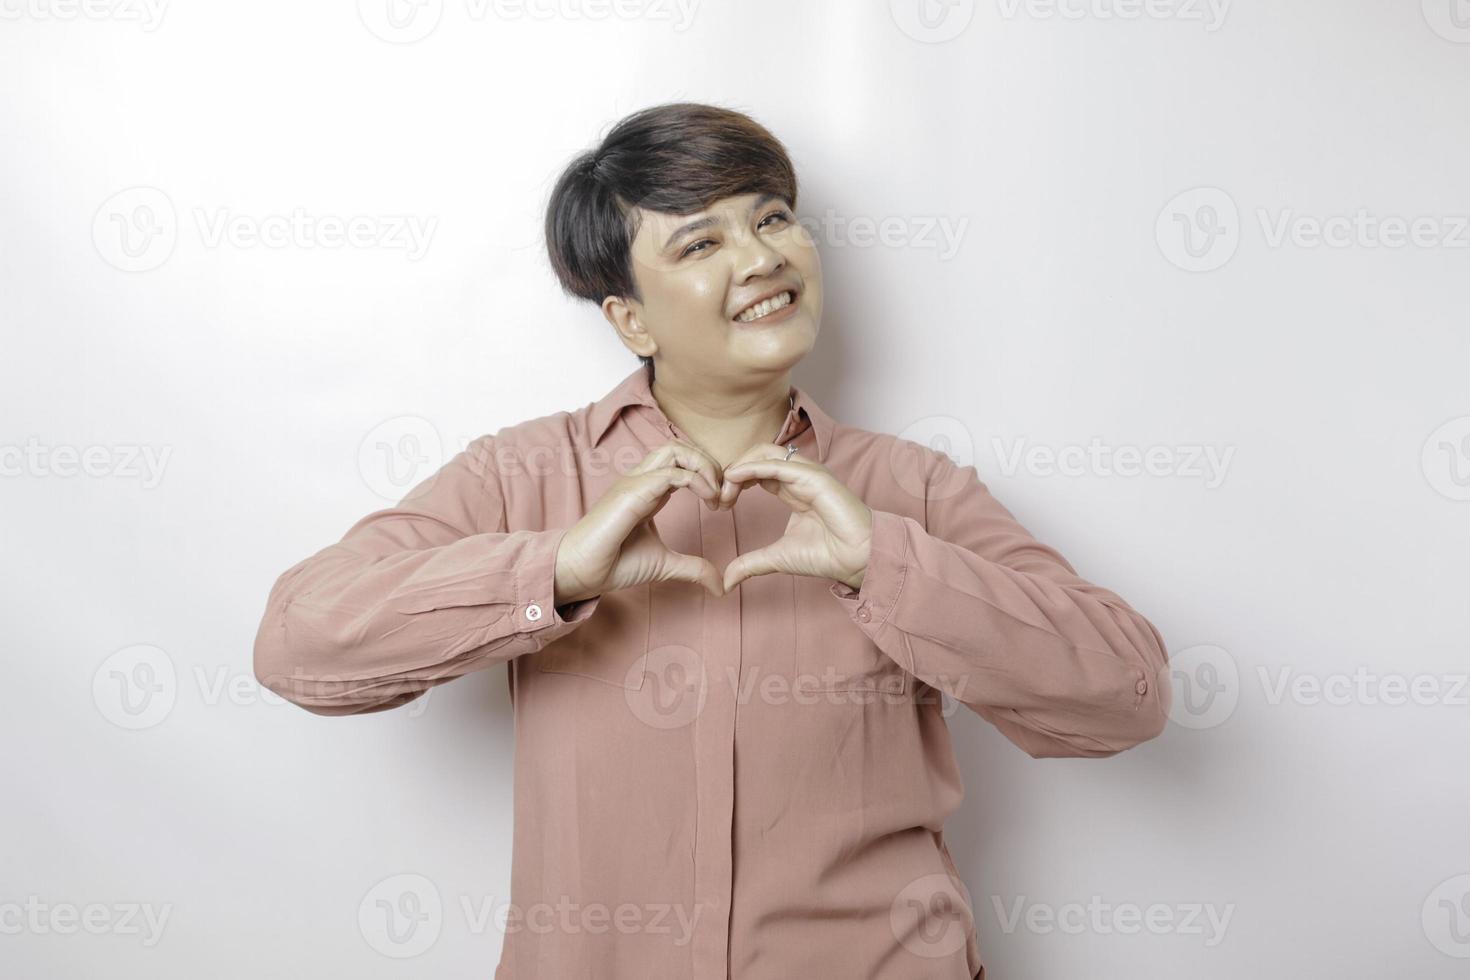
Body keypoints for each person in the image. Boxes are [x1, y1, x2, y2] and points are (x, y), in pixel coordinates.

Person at [253, 101, 1172, 980]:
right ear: (631, 320)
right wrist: (555, 571)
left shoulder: (912, 488)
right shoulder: (517, 476)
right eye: (702, 242)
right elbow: (297, 643)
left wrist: (885, 565)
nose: (763, 258)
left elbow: (1129, 694)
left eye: (772, 220)